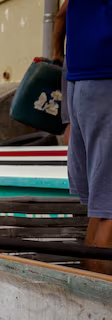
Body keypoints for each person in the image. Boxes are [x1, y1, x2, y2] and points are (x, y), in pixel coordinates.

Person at [64, 1, 112, 274]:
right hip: (106, 76)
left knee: (100, 207)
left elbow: (61, 16)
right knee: (108, 211)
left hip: (80, 81)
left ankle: (87, 295)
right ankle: (101, 308)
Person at [52, 0, 70, 144]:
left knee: (72, 124)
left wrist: (57, 53)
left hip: (73, 64)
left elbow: (60, 16)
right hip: (101, 71)